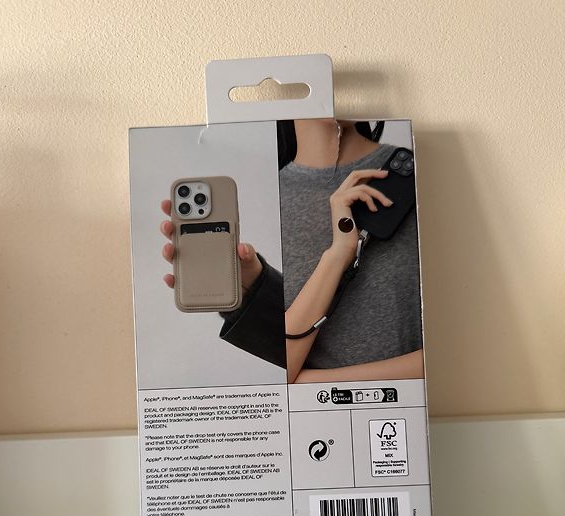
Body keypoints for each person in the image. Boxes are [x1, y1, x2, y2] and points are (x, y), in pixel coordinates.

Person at [161, 118, 424, 383]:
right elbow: (283, 366)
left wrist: (308, 384)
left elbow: (443, 352)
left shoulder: (415, 175)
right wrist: (257, 290)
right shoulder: (268, 193)